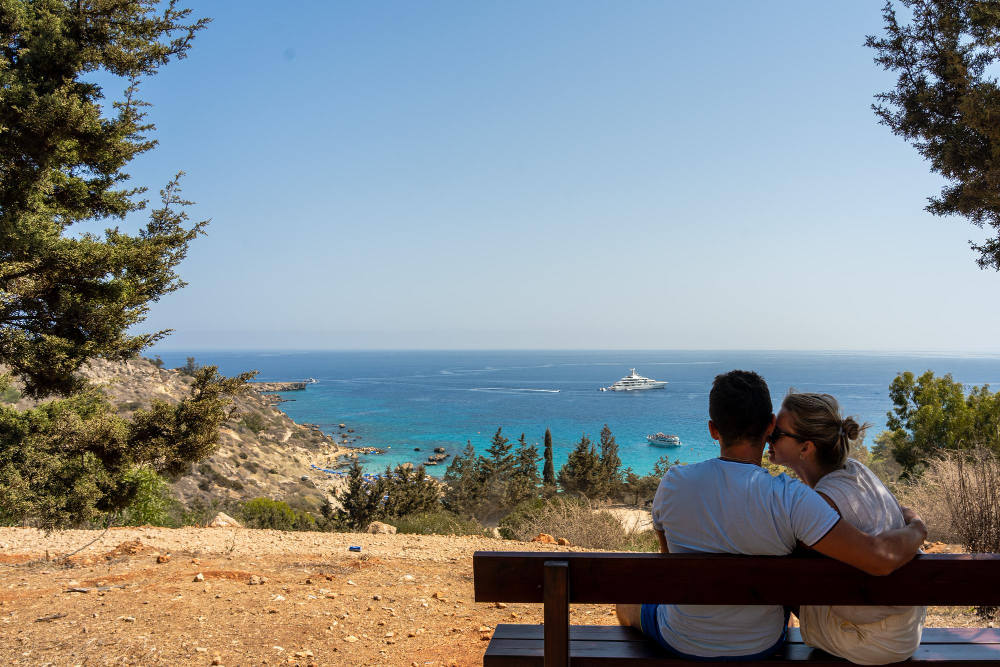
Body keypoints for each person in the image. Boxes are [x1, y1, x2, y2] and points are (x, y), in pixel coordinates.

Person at [616, 370, 927, 661]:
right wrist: (916, 526)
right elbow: (874, 556)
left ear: (713, 429)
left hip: (681, 639)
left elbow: (668, 558)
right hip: (762, 644)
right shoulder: (793, 499)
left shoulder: (673, 482)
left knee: (626, 606)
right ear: (768, 427)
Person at [768, 391, 925, 665]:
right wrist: (916, 525)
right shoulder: (858, 471)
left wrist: (919, 529)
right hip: (905, 628)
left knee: (775, 562)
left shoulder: (822, 503)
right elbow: (897, 513)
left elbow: (880, 558)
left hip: (871, 641)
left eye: (776, 433)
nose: (768, 436)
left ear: (806, 448)